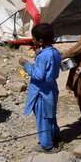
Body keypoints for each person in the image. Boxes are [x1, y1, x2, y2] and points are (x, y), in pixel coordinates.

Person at [21, 23, 61, 152]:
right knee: (50, 115)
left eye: (34, 39)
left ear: (40, 41)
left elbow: (38, 75)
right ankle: (55, 136)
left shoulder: (43, 56)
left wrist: (26, 64)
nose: (32, 41)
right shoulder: (54, 52)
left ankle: (47, 145)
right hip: (51, 89)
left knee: (43, 118)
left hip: (41, 92)